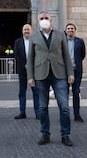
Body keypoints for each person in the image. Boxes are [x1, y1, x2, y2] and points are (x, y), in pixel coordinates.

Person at [26, 11, 74, 147]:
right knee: (42, 107)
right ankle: (45, 133)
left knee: (64, 106)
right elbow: (30, 58)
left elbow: (66, 55)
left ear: (51, 20)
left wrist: (70, 73)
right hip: (40, 74)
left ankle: (65, 134)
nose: (44, 20)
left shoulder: (60, 35)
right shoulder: (34, 36)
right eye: (41, 18)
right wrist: (30, 76)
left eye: (46, 18)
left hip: (59, 73)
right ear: (38, 20)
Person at [13, 24, 39, 120]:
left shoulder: (36, 41)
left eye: (28, 29)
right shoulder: (17, 42)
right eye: (25, 29)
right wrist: (24, 64)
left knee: (36, 92)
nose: (26, 31)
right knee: (22, 92)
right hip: (22, 71)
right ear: (22, 31)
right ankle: (22, 112)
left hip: (35, 71)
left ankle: (38, 113)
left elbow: (39, 54)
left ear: (31, 31)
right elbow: (16, 55)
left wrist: (31, 65)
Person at [65, 23, 86, 122]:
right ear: (66, 31)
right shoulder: (62, 41)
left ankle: (77, 114)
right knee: (64, 93)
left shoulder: (80, 41)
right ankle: (64, 114)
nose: (70, 30)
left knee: (76, 92)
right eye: (68, 29)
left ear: (75, 30)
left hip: (77, 70)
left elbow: (82, 55)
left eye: (72, 28)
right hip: (64, 71)